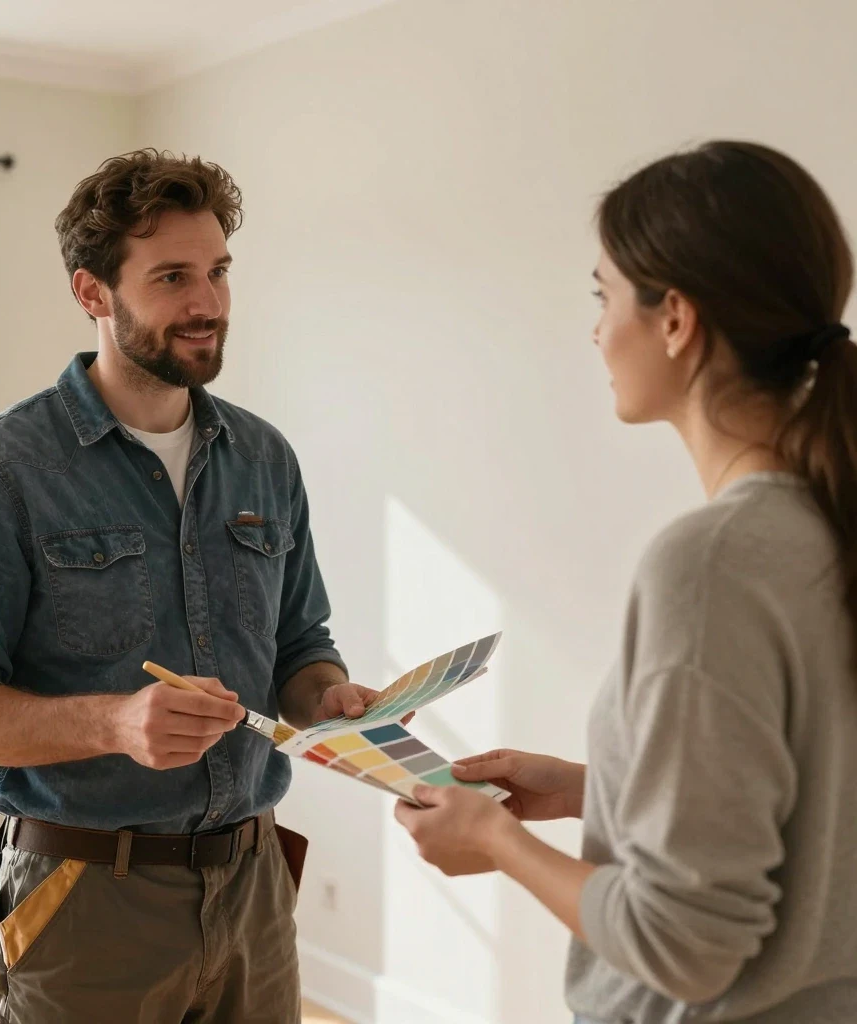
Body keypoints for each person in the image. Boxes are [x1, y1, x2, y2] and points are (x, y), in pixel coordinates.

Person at [0, 149, 376, 1024]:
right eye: (172, 278)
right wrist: (115, 722)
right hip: (82, 901)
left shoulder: (265, 458)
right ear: (93, 293)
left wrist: (331, 700)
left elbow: (301, 645)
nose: (208, 303)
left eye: (219, 271)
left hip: (255, 891)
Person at [395, 141, 857, 1023]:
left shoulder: (713, 562)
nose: (598, 330)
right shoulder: (827, 527)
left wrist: (489, 837)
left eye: (604, 297)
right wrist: (594, 788)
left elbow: (686, 944)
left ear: (675, 319)